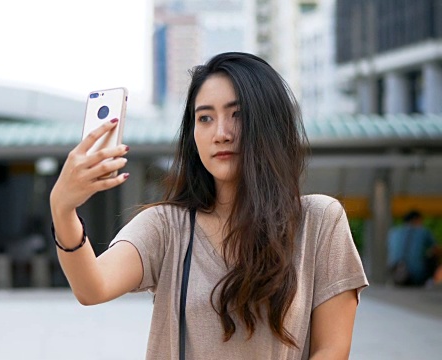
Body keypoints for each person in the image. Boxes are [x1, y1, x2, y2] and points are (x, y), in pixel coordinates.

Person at [49, 52, 368, 359]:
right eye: (205, 118)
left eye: (237, 115)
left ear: (269, 122)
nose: (221, 133)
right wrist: (62, 209)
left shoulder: (319, 221)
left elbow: (331, 350)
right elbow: (93, 287)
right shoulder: (166, 226)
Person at [387, 210, 438, 286]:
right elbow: (436, 249)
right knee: (433, 256)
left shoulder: (393, 232)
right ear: (416, 219)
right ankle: (429, 282)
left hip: (395, 271)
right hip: (417, 274)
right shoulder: (423, 231)